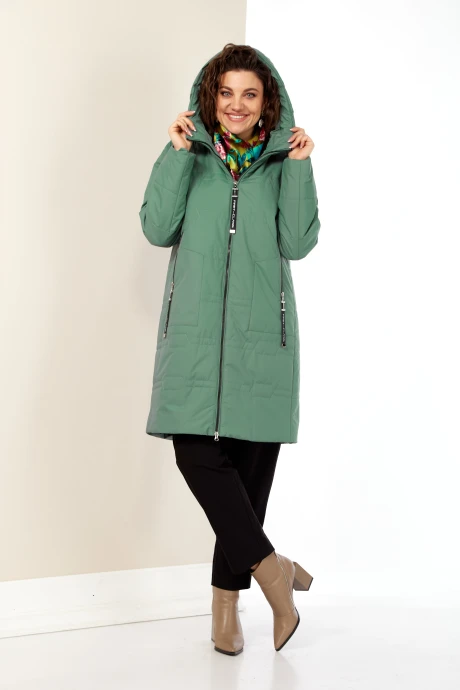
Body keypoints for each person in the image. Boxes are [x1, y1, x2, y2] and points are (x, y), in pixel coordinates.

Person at [139, 43, 321, 655]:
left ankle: (225, 611)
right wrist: (174, 154)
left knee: (246, 478)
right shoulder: (189, 155)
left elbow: (298, 243)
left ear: (268, 102)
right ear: (209, 97)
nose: (236, 104)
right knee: (195, 454)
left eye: (249, 94)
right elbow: (157, 227)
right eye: (226, 93)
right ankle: (274, 573)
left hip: (263, 339)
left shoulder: (283, 163)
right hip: (192, 334)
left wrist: (299, 167)